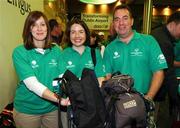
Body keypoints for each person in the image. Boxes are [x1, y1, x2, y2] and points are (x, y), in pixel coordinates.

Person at [103, 4, 167, 125]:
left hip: (145, 101)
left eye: (125, 18)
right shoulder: (109, 49)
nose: (121, 23)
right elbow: (107, 76)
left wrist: (148, 98)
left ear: (132, 21)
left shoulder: (149, 41)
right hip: (120, 106)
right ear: (113, 24)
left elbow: (159, 72)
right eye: (117, 19)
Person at [12, 11, 69, 128]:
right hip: (27, 111)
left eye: (42, 24)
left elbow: (63, 76)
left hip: (52, 108)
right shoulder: (20, 52)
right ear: (29, 29)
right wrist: (60, 100)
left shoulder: (56, 50)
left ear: (47, 28)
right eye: (34, 25)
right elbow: (32, 84)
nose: (39, 29)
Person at [151, 11, 180, 128]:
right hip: (157, 94)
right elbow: (168, 72)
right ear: (173, 24)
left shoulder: (158, 33)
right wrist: (176, 101)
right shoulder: (164, 41)